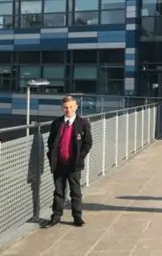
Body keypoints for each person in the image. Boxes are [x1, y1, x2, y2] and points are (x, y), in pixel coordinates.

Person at [46, 95, 93, 227]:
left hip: (74, 164)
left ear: (76, 107)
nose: (69, 110)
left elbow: (88, 143)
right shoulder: (56, 123)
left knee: (75, 191)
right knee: (58, 191)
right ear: (62, 108)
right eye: (66, 107)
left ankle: (77, 217)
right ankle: (56, 217)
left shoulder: (83, 123)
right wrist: (52, 156)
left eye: (71, 107)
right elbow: (51, 142)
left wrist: (80, 157)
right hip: (59, 163)